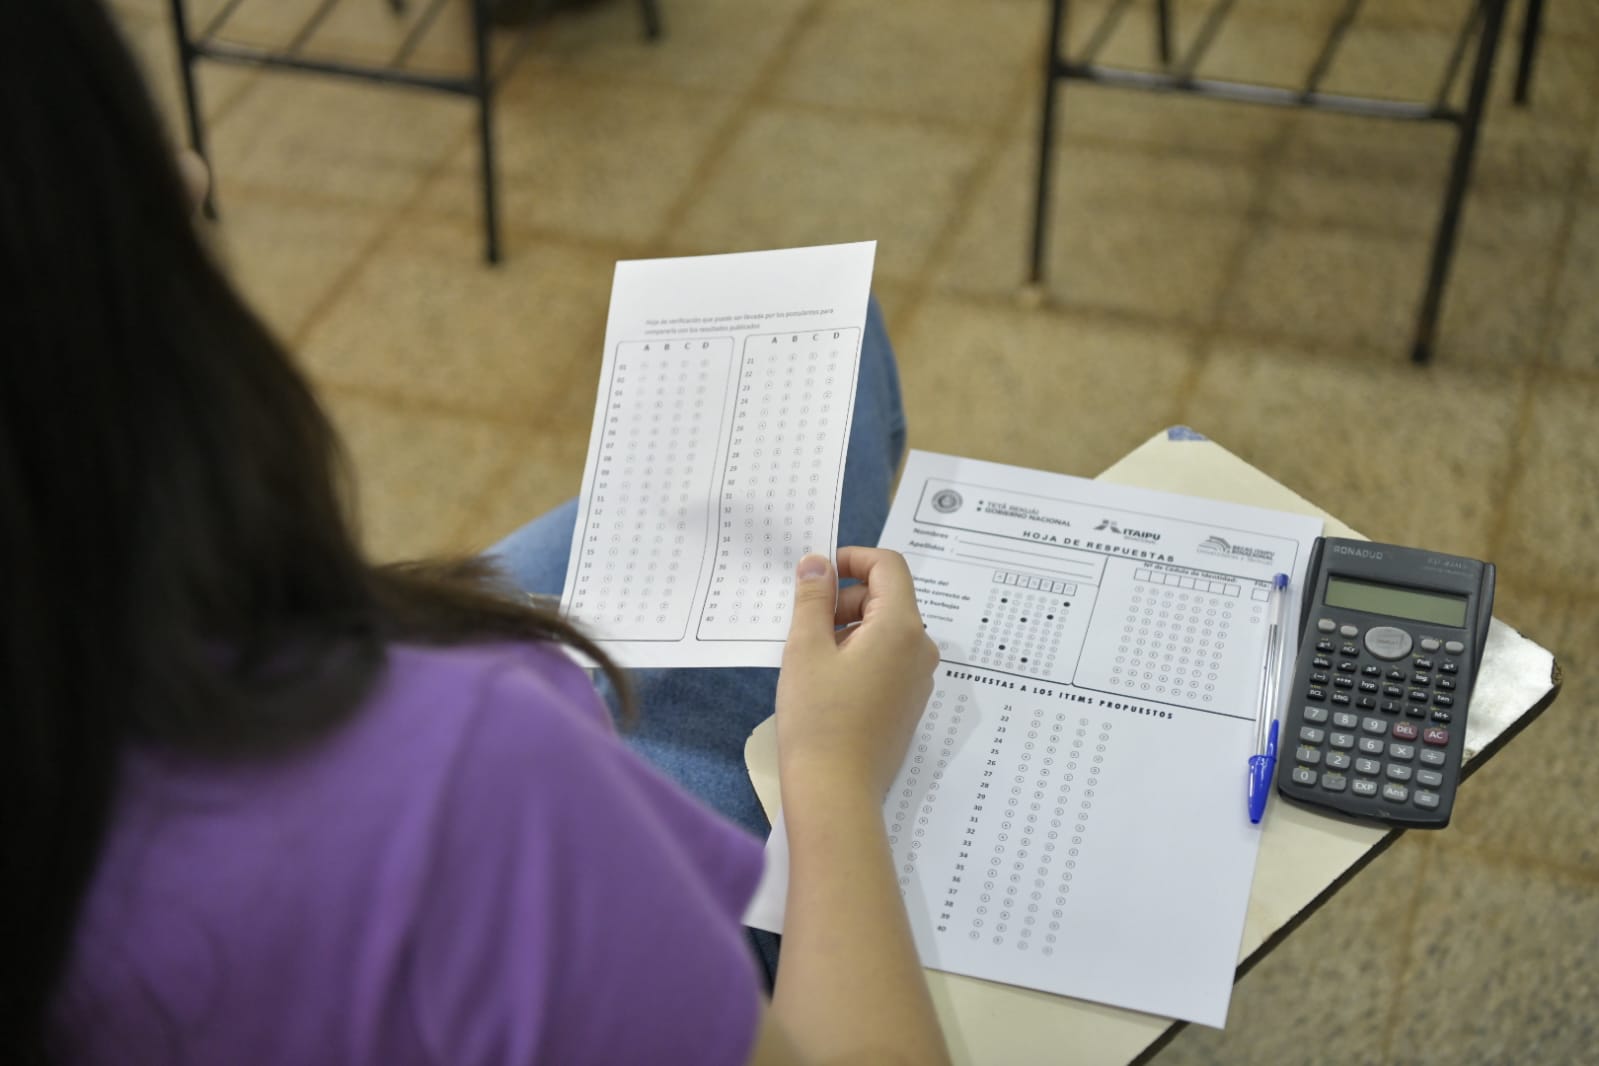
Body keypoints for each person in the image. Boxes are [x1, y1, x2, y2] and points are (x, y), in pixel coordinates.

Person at [1, 2, 950, 1064]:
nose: (187, 171)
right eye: (116, 149)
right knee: (841, 361)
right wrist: (831, 767)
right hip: (431, 832)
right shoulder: (471, 783)